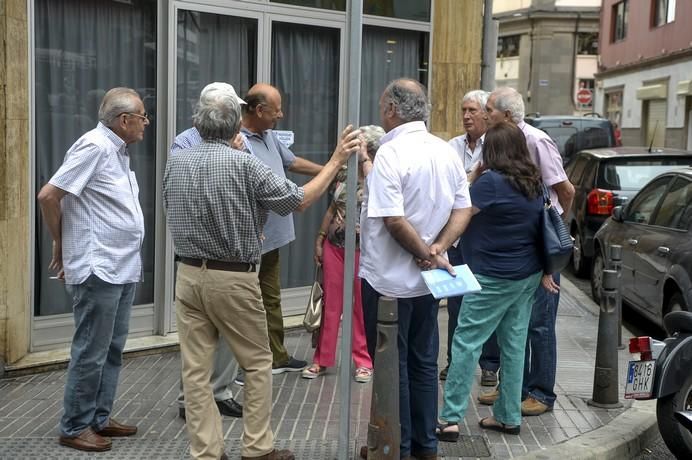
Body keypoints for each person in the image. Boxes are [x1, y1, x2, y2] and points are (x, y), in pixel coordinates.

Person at [163, 82, 360, 460]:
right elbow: (297, 200)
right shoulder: (243, 162)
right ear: (236, 125)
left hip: (187, 274)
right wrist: (336, 161)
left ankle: (205, 451)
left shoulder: (177, 159)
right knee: (257, 363)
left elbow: (174, 208)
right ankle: (256, 447)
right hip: (232, 277)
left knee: (195, 369)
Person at [359, 79, 472, 460]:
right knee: (424, 364)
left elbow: (392, 220)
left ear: (392, 109)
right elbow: (463, 209)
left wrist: (427, 250)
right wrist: (437, 249)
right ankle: (425, 446)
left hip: (388, 281)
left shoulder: (391, 153)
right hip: (429, 281)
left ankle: (398, 447)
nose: (380, 113)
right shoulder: (445, 151)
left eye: (381, 106)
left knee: (394, 366)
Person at [37, 87, 149, 452]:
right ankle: (74, 425)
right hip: (99, 266)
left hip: (121, 265)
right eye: (143, 117)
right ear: (124, 120)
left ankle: (98, 418)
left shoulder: (117, 150)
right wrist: (61, 242)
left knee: (112, 349)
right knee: (91, 350)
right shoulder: (94, 146)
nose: (146, 123)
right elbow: (49, 195)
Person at [435, 121, 555, 440]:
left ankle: (449, 419)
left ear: (492, 151)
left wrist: (473, 175)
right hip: (526, 275)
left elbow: (457, 210)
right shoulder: (534, 182)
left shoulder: (490, 183)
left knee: (466, 342)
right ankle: (508, 416)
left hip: (491, 276)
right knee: (514, 345)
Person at [485, 87, 575, 416]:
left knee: (539, 323)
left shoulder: (536, 141)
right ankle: (513, 388)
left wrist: (555, 230)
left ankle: (541, 393)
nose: (483, 115)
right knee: (513, 324)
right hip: (520, 247)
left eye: (489, 110)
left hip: (541, 247)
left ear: (507, 115)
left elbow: (566, 190)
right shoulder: (503, 140)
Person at [236, 83, 324, 382]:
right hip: (249, 238)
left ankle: (276, 356)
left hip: (272, 235)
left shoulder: (268, 135)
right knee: (245, 302)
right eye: (276, 110)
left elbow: (292, 162)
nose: (281, 115)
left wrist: (329, 170)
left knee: (270, 298)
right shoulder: (237, 141)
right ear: (259, 110)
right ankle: (244, 364)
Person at [170, 83, 246, 421]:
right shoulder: (184, 144)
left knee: (225, 337)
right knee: (200, 341)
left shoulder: (241, 145)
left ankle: (220, 391)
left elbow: (249, 188)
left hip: (229, 253)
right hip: (203, 253)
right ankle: (195, 399)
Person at [303, 125, 384, 382]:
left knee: (360, 307)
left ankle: (363, 360)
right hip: (335, 247)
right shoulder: (343, 174)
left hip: (364, 250)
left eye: (358, 145)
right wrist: (319, 238)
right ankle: (322, 359)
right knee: (331, 305)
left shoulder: (379, 175)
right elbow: (332, 208)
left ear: (369, 149)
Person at [444, 90, 500, 389]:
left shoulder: (495, 147)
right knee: (455, 305)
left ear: (486, 114)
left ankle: (489, 365)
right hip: (455, 240)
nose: (466, 116)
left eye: (472, 111)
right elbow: (448, 187)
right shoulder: (451, 146)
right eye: (463, 110)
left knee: (484, 303)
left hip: (483, 240)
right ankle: (454, 361)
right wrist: (470, 180)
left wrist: (466, 182)